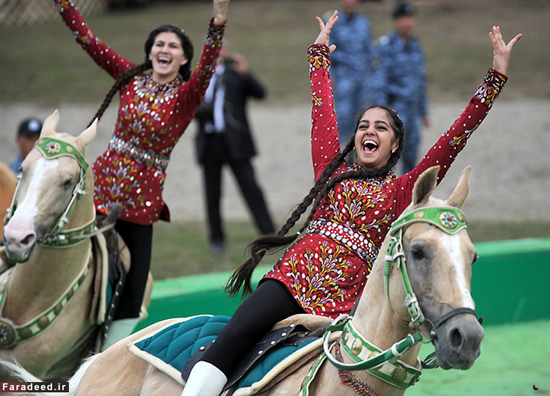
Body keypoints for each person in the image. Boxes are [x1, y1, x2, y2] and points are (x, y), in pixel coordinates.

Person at [181, 12, 521, 396]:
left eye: (381, 127)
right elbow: (322, 111)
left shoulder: (403, 192)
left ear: (395, 145)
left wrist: (493, 81)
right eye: (363, 126)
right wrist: (319, 57)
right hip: (292, 281)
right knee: (228, 344)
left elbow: (453, 139)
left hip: (348, 305)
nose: (369, 131)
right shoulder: (332, 169)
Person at [53, 0, 230, 349]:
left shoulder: (186, 96)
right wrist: (63, 5)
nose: (164, 49)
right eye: (159, 44)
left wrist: (218, 21)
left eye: (173, 46)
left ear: (182, 59)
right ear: (149, 52)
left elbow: (208, 67)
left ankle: (102, 360)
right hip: (97, 188)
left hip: (139, 205)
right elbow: (89, 40)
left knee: (133, 295)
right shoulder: (129, 78)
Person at [194, 42, 274, 255]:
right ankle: (217, 239)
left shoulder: (235, 73)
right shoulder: (199, 77)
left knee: (251, 189)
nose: (218, 52)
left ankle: (269, 234)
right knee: (212, 194)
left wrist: (246, 73)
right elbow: (189, 106)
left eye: (222, 48)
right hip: (210, 142)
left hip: (235, 143)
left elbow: (261, 93)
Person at [369, 1, 430, 174]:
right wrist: (381, 115)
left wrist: (424, 112)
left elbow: (420, 81)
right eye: (403, 18)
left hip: (412, 113)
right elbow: (378, 83)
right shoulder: (385, 46)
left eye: (410, 18)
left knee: (411, 160)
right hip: (394, 111)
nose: (407, 22)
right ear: (396, 21)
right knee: (388, 159)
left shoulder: (415, 46)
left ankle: (407, 199)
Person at [326, 0, 373, 148]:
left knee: (360, 116)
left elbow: (369, 52)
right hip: (343, 78)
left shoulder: (364, 23)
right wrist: (330, 74)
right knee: (342, 115)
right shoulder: (332, 22)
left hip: (362, 78)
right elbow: (326, 51)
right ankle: (338, 152)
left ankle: (357, 151)